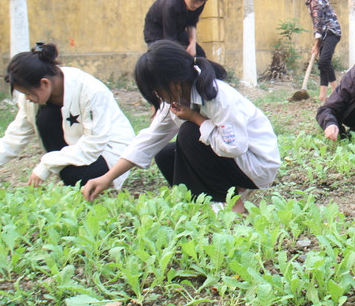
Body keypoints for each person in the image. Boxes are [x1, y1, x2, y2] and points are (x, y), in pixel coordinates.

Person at [81, 40, 281, 212]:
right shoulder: (177, 99)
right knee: (166, 153)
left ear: (175, 84)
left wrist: (195, 118)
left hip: (256, 165)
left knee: (188, 133)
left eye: (157, 92)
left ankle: (230, 203)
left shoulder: (217, 96)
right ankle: (199, 201)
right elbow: (148, 140)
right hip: (235, 161)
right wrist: (107, 177)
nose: (158, 98)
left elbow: (234, 147)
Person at [0, 42, 135, 188]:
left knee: (78, 177)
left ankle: (82, 180)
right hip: (78, 149)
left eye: (28, 93)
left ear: (44, 83)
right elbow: (13, 139)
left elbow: (93, 144)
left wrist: (47, 165)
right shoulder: (33, 101)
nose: (27, 99)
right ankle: (69, 175)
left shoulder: (90, 90)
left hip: (109, 151)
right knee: (45, 119)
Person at [289, 0, 341, 101]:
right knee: (322, 64)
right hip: (324, 32)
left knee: (324, 61)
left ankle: (337, 91)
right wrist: (317, 43)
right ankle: (323, 95)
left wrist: (316, 44)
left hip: (331, 32)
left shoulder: (315, 0)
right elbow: (318, 24)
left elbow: (319, 23)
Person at [143, 0, 211, 58]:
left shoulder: (200, 2)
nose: (196, 5)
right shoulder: (170, 5)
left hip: (178, 31)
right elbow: (170, 37)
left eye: (201, 2)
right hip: (156, 33)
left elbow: (192, 23)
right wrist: (184, 52)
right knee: (173, 58)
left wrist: (192, 43)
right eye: (194, 1)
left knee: (200, 54)